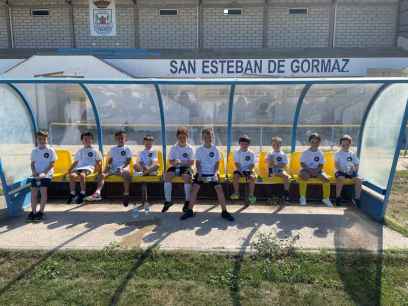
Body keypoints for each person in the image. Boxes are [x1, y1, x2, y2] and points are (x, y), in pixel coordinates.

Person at [180, 128, 234, 221]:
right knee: (194, 189)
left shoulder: (215, 149)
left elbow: (217, 163)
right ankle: (190, 211)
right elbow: (198, 163)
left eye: (209, 136)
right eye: (205, 136)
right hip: (202, 173)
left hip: (212, 174)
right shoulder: (199, 149)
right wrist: (200, 173)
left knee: (219, 189)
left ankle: (224, 211)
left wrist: (215, 173)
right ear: (202, 138)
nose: (207, 138)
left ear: (212, 137)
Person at [87, 130, 132, 206]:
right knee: (101, 175)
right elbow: (110, 161)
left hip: (123, 168)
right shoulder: (112, 149)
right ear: (115, 139)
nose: (120, 140)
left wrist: (121, 167)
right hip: (113, 169)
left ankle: (126, 194)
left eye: (122, 138)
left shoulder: (127, 149)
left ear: (125, 139)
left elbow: (128, 161)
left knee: (127, 174)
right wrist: (106, 169)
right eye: (118, 139)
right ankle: (97, 193)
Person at [162, 127, 194, 213]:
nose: (182, 139)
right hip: (175, 166)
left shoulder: (189, 148)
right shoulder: (174, 148)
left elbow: (191, 162)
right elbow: (170, 161)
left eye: (184, 137)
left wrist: (183, 163)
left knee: (187, 177)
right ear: (177, 137)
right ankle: (168, 201)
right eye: (180, 137)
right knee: (167, 176)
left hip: (186, 167)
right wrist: (174, 162)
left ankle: (187, 201)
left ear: (187, 137)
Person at [27, 131, 57, 222]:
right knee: (33, 193)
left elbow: (52, 164)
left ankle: (41, 212)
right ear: (37, 139)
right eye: (40, 139)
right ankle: (33, 212)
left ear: (47, 139)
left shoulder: (50, 150)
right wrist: (34, 172)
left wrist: (44, 172)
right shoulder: (34, 151)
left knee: (43, 191)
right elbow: (32, 164)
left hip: (46, 175)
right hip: (36, 175)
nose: (42, 141)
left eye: (44, 139)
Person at [67, 131, 102, 204]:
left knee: (82, 175)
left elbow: (99, 162)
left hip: (89, 168)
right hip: (79, 168)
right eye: (85, 139)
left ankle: (83, 193)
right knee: (72, 176)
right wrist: (69, 170)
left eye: (89, 139)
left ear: (92, 140)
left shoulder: (95, 151)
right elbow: (76, 162)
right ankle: (72, 193)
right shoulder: (80, 151)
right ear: (82, 141)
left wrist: (98, 171)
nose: (87, 141)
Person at [299, 133, 332, 207]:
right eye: (312, 142)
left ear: (319, 143)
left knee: (326, 179)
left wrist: (316, 171)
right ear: (309, 142)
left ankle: (326, 198)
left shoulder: (321, 153)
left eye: (317, 142)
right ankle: (302, 197)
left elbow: (321, 165)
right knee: (304, 177)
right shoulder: (305, 153)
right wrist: (310, 170)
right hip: (306, 170)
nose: (315, 144)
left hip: (317, 170)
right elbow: (302, 164)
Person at [335, 135, 362, 207]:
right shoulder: (338, 154)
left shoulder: (352, 154)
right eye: (343, 144)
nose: (345, 146)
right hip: (340, 171)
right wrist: (344, 170)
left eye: (347, 144)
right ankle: (338, 197)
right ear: (340, 144)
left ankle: (357, 198)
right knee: (340, 179)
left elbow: (356, 164)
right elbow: (336, 165)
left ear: (350, 144)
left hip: (350, 171)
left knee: (359, 180)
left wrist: (354, 170)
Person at [135, 135, 160, 208]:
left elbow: (154, 161)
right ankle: (144, 173)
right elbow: (140, 162)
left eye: (150, 143)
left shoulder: (154, 152)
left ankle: (143, 174)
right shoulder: (141, 152)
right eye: (146, 143)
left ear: (152, 143)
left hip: (150, 169)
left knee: (157, 165)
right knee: (134, 165)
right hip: (143, 169)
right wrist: (144, 167)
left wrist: (148, 168)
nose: (148, 145)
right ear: (144, 143)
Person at [230, 135, 256, 204]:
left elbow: (252, 164)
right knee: (235, 176)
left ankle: (251, 195)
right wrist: (241, 171)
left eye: (246, 144)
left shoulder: (252, 153)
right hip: (239, 170)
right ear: (239, 144)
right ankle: (236, 193)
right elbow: (236, 163)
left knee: (253, 178)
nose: (244, 145)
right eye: (242, 144)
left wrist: (248, 172)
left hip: (249, 170)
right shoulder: (237, 152)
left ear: (248, 144)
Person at [266, 136, 290, 201]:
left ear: (280, 145)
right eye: (274, 144)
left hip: (280, 171)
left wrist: (275, 164)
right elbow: (269, 163)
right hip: (271, 171)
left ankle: (286, 194)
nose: (276, 146)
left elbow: (284, 165)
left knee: (286, 176)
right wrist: (274, 164)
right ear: (272, 145)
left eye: (278, 144)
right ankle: (271, 196)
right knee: (270, 176)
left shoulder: (283, 154)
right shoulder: (270, 153)